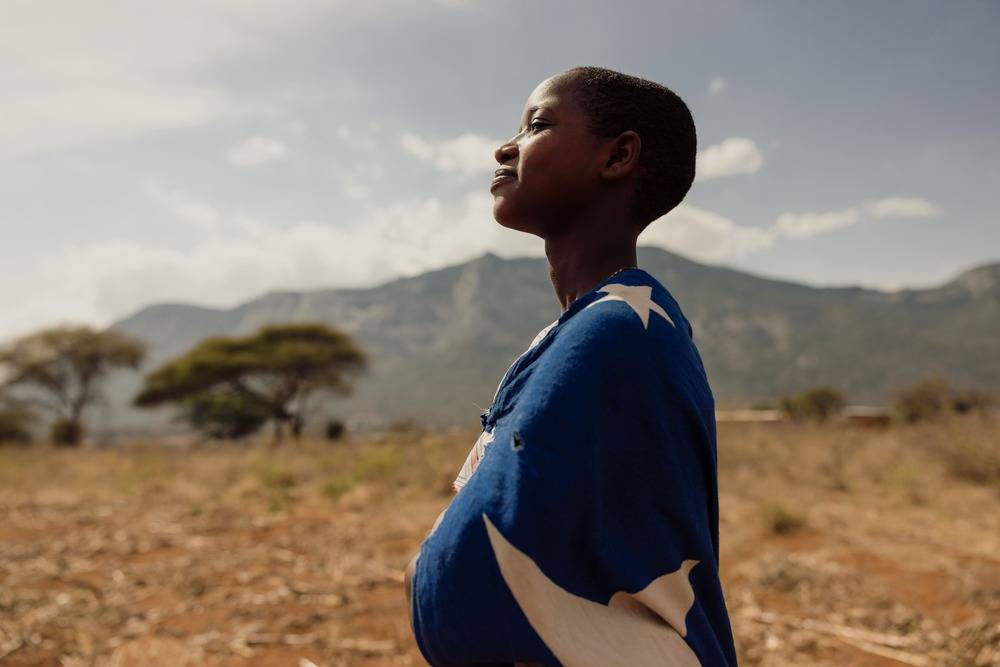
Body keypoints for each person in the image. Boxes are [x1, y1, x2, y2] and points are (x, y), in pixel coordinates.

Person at [403, 65, 738, 666]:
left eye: (537, 125)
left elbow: (468, 573)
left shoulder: (611, 335)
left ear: (618, 156)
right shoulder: (613, 325)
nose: (504, 147)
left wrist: (420, 571)